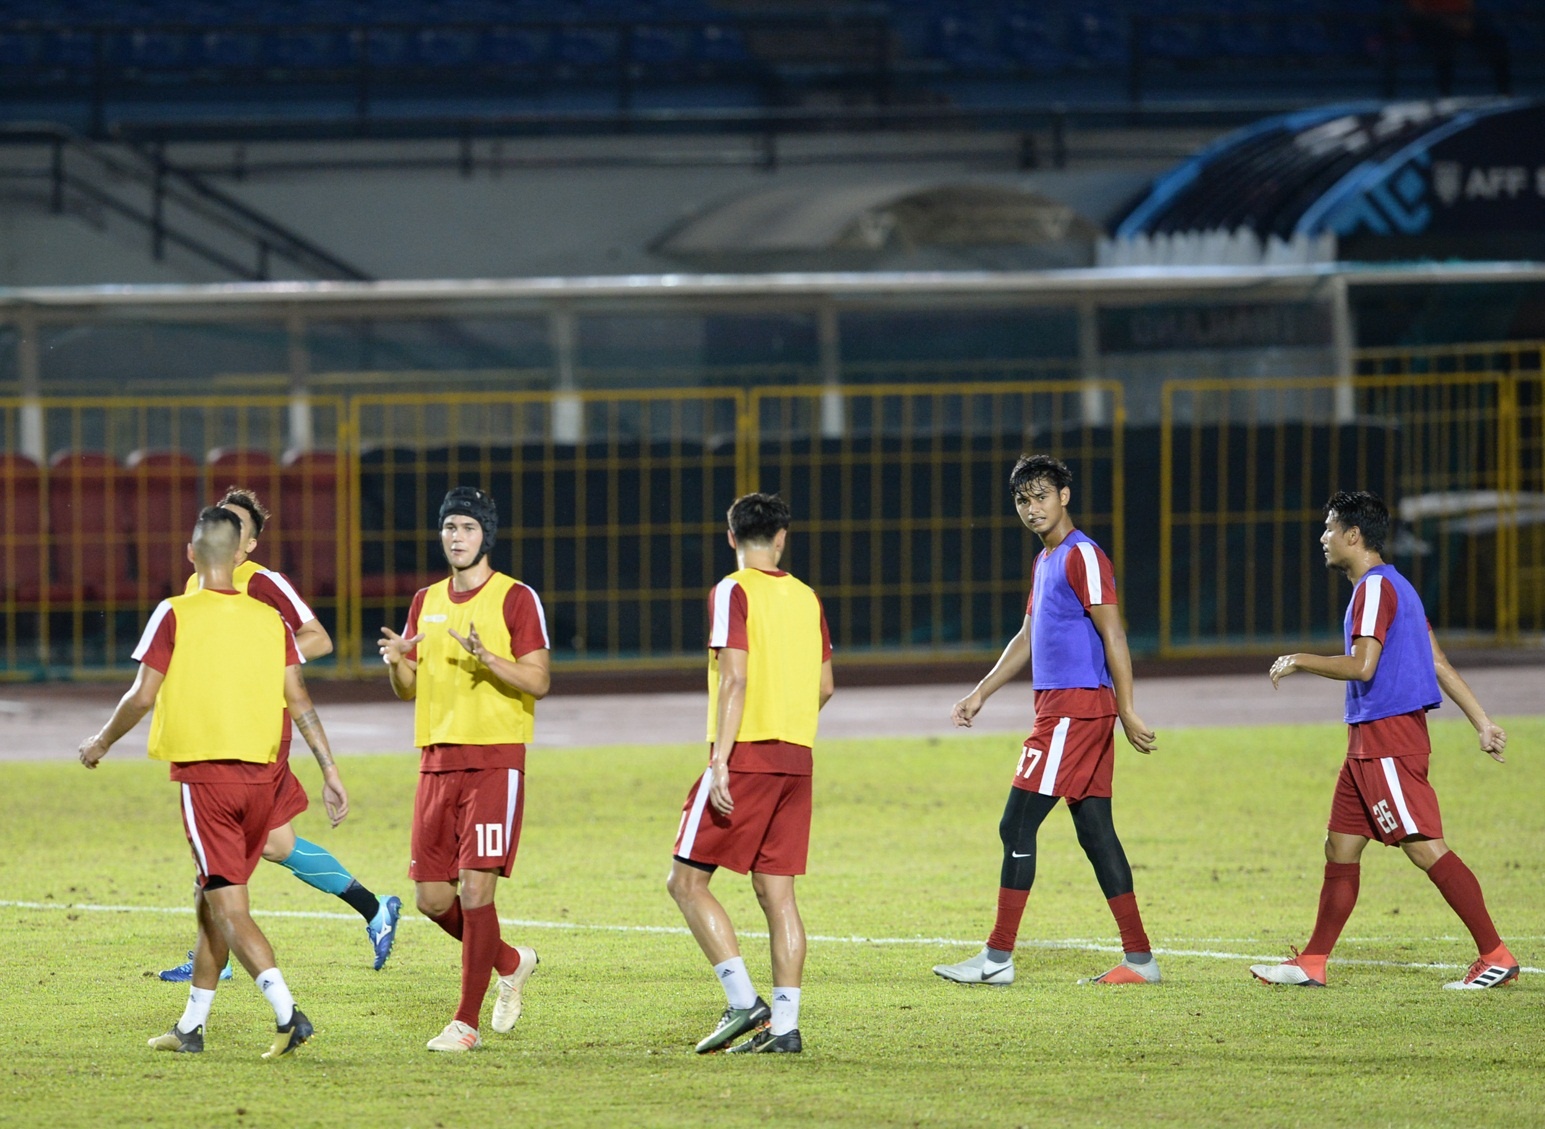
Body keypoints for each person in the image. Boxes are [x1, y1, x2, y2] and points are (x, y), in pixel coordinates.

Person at [78, 506, 332, 1058]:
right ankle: (191, 1026)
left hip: (208, 779)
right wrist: (330, 770)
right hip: (262, 779)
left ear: (191, 554)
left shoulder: (174, 611)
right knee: (208, 899)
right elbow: (300, 699)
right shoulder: (268, 619)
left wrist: (100, 742)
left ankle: (288, 1013)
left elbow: (141, 696)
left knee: (229, 906)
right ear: (238, 553)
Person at [1254, 490, 1517, 990]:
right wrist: (1482, 722)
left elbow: (1362, 666)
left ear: (1353, 535)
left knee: (1424, 847)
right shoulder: (1397, 586)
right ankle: (1313, 962)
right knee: (1340, 847)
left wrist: (1300, 659)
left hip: (1389, 740)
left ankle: (1495, 954)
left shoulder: (1375, 589)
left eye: (1330, 528)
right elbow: (1437, 660)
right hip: (1367, 743)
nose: (1323, 537)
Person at [934, 454, 1160, 988]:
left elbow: (1115, 633)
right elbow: (1028, 636)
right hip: (1068, 710)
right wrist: (981, 692)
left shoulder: (1083, 555)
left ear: (1064, 496)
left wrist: (1127, 709)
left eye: (1041, 496)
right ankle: (1141, 960)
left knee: (1015, 824)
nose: (1032, 508)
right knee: (1096, 833)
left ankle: (996, 958)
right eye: (1022, 500)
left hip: (1073, 712)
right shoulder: (1046, 560)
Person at [158, 487, 401, 983]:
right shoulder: (195, 582)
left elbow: (318, 638)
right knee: (274, 842)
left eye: (238, 528)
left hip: (258, 730)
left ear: (249, 544)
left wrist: (257, 663)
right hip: (218, 727)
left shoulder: (262, 582)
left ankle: (216, 959)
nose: (227, 532)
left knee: (220, 840)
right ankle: (375, 908)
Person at [378, 486, 550, 1052]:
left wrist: (489, 658)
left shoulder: (515, 597)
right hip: (436, 762)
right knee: (432, 899)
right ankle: (510, 961)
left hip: (495, 760)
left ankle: (465, 1023)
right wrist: (397, 663)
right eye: (450, 527)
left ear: (486, 535)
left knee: (476, 891)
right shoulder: (425, 600)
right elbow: (407, 690)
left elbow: (539, 680)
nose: (457, 537)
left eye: (468, 527)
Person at [667, 492, 835, 1055]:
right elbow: (825, 686)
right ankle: (785, 1028)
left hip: (746, 758)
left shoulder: (731, 590)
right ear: (782, 538)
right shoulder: (807, 597)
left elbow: (734, 678)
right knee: (777, 893)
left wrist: (721, 761)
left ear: (731, 536)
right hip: (797, 759)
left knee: (685, 882)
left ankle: (743, 1002)